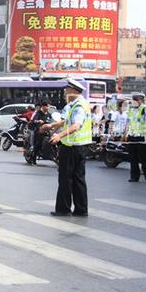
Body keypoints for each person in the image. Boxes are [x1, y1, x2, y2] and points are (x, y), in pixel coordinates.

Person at [41, 79, 91, 217]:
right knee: (78, 179)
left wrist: (59, 136)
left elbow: (76, 125)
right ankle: (81, 210)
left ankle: (63, 209)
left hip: (71, 147)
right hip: (78, 147)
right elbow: (68, 121)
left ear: (74, 91)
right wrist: (52, 126)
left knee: (66, 178)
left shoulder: (79, 106)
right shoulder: (78, 104)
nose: (65, 92)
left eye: (67, 90)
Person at [125, 93, 146, 183]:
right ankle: (134, 176)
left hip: (141, 137)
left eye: (134, 100)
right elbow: (128, 122)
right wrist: (125, 134)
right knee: (132, 158)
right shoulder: (131, 110)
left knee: (143, 158)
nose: (132, 102)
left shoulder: (145, 109)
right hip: (131, 136)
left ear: (139, 100)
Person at [30, 100, 52, 164]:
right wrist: (38, 121)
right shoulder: (38, 113)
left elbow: (52, 120)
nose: (48, 108)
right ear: (43, 106)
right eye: (47, 106)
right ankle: (33, 158)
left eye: (49, 106)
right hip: (39, 131)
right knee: (38, 144)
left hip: (47, 131)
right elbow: (34, 120)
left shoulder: (48, 114)